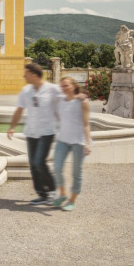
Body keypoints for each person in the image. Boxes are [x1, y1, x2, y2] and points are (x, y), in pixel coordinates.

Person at [7, 63, 62, 204]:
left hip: (46, 132)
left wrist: (79, 97)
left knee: (39, 162)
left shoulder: (52, 89)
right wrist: (12, 127)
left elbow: (65, 103)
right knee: (33, 164)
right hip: (31, 132)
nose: (24, 76)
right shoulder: (26, 91)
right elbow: (19, 110)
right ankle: (43, 194)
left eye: (26, 74)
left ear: (34, 75)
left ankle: (54, 190)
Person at [51, 76, 92, 211]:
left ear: (74, 86)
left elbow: (86, 124)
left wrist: (87, 143)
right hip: (62, 139)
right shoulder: (61, 101)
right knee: (56, 167)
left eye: (66, 85)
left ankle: (72, 200)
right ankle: (62, 194)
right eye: (61, 86)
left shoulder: (82, 102)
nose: (63, 88)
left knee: (76, 172)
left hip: (78, 141)